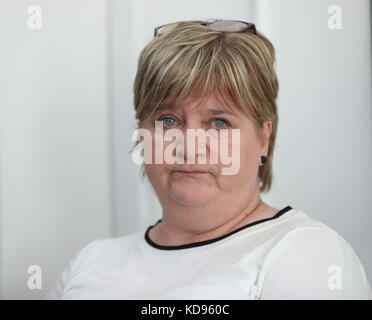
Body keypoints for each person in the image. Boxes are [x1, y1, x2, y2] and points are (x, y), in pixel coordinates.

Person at [46, 19, 372, 300]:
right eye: (168, 120)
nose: (189, 146)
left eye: (219, 123)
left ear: (263, 138)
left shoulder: (305, 252)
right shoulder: (91, 261)